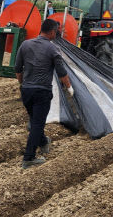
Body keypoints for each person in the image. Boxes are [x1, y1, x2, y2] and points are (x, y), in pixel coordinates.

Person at [15, 19, 72, 169]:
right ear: (53, 32)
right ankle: (29, 158)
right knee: (37, 125)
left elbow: (17, 68)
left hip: (26, 91)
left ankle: (44, 142)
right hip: (42, 92)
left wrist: (22, 84)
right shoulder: (53, 50)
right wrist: (70, 88)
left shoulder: (25, 44)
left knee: (35, 122)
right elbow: (62, 73)